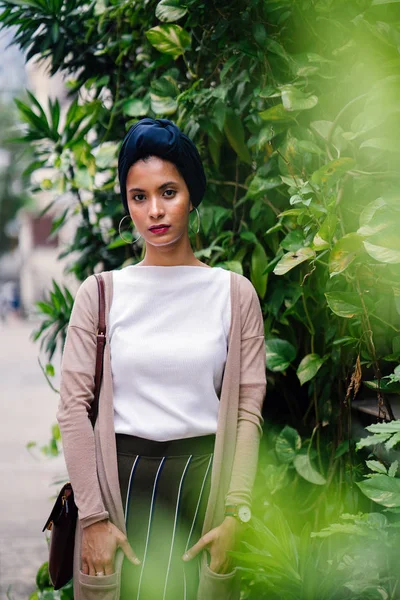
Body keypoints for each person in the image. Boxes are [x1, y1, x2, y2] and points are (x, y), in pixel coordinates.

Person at [56, 117, 267, 600]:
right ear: (127, 203)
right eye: (139, 196)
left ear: (191, 194)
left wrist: (237, 513)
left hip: (203, 489)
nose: (155, 210)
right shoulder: (102, 294)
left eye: (168, 191)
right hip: (122, 488)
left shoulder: (234, 294)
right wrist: (92, 517)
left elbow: (246, 410)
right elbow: (72, 410)